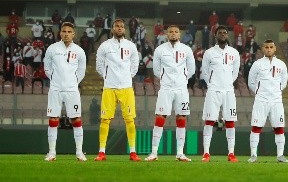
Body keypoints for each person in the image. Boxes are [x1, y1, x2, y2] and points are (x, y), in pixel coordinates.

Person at [145, 25, 195, 162]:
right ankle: (154, 152)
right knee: (160, 117)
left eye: (176, 32)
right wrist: (165, 79)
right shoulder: (160, 50)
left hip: (181, 89)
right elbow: (156, 70)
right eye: (171, 32)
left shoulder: (186, 50)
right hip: (166, 88)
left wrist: (182, 79)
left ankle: (180, 153)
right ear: (167, 34)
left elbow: (191, 69)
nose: (173, 34)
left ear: (180, 35)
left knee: (181, 118)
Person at [94, 18, 141, 161]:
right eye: (116, 26)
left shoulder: (131, 46)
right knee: (105, 119)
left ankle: (133, 152)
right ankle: (102, 152)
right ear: (112, 29)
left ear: (124, 29)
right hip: (109, 87)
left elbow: (134, 66)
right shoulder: (105, 46)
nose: (119, 28)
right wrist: (108, 77)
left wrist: (126, 77)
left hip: (126, 87)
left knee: (130, 120)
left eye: (121, 26)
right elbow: (99, 66)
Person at [43, 22, 87, 161]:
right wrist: (54, 79)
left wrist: (73, 82)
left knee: (76, 119)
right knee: (53, 119)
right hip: (55, 89)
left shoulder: (79, 51)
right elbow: (47, 68)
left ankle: (79, 153)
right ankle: (52, 153)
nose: (66, 33)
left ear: (73, 34)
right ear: (60, 33)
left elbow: (81, 71)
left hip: (72, 90)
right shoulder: (52, 48)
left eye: (69, 31)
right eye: (64, 31)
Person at [200, 25, 241, 162]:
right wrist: (212, 84)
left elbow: (235, 73)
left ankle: (231, 153)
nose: (223, 34)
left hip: (229, 91)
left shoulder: (234, 53)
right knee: (209, 121)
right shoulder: (209, 52)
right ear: (215, 35)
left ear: (228, 35)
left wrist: (228, 83)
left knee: (230, 121)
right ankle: (206, 153)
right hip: (213, 90)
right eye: (220, 33)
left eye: (225, 33)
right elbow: (204, 72)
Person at [247, 40, 288, 163]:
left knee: (279, 127)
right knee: (256, 126)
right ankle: (253, 155)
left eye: (271, 47)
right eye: (266, 47)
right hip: (261, 100)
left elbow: (284, 82)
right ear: (262, 49)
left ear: (275, 48)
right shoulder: (257, 64)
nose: (269, 49)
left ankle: (280, 155)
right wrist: (260, 92)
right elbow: (251, 82)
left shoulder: (281, 64)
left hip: (276, 100)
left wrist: (275, 91)